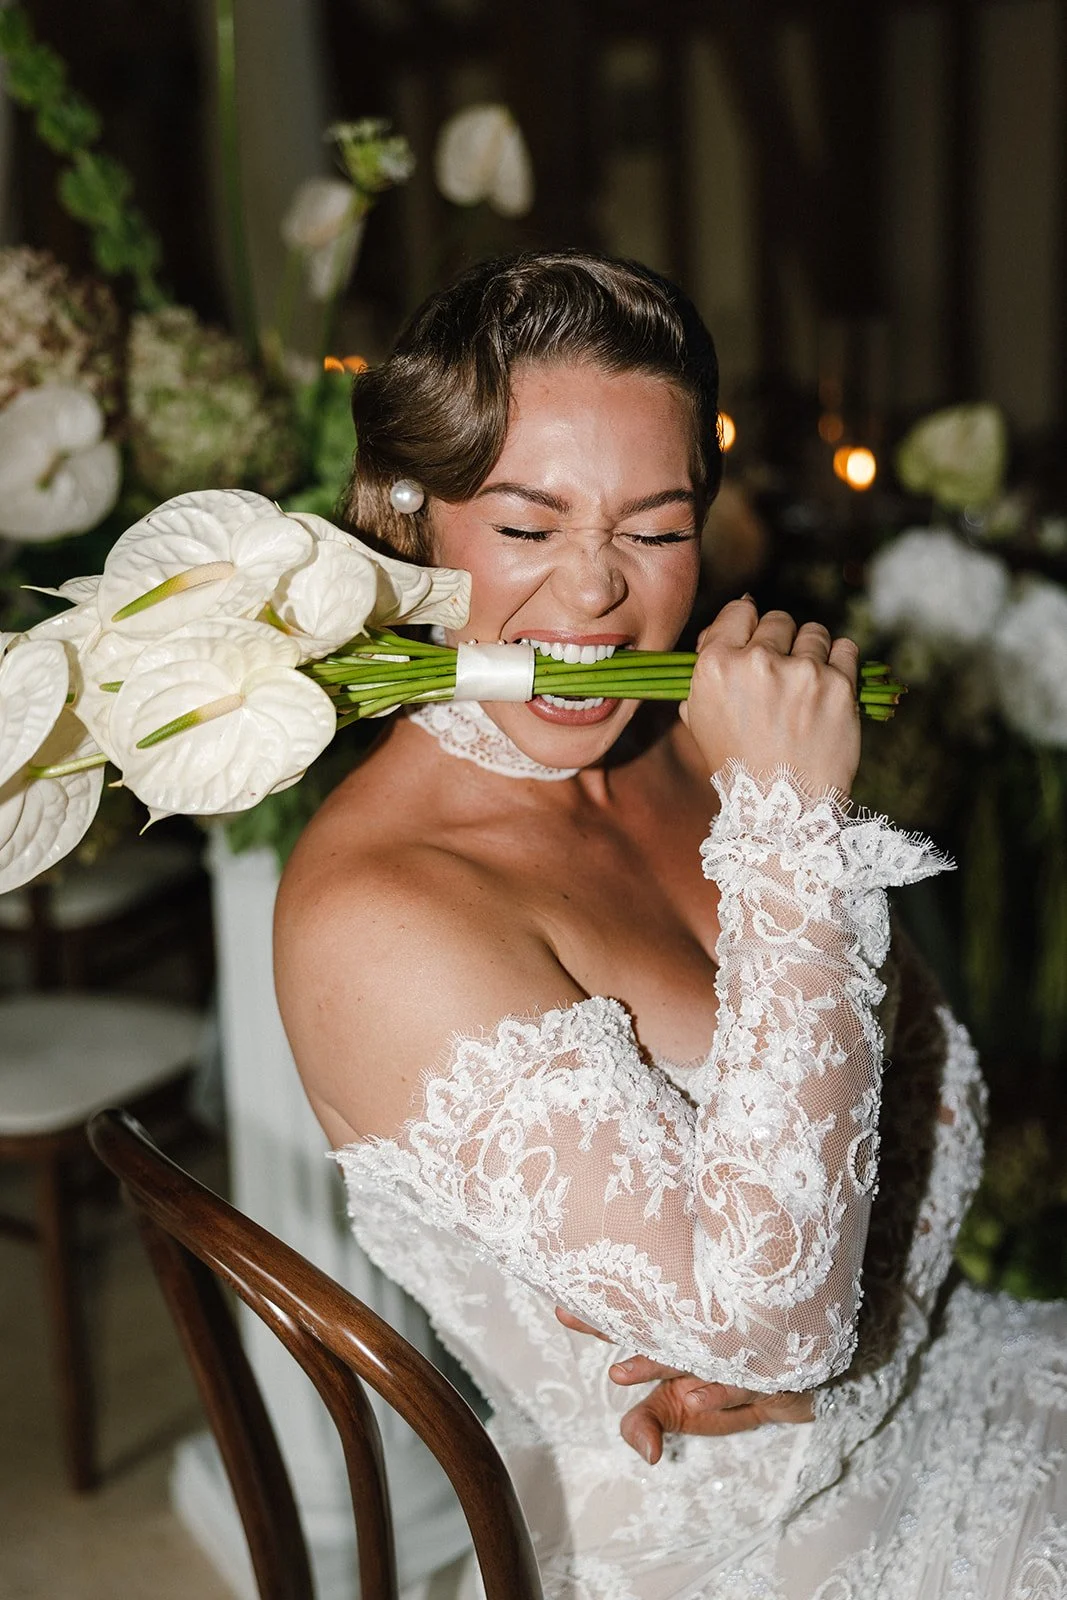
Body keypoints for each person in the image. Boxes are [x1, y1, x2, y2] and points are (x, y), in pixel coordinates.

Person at [274, 252, 1067, 1600]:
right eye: (528, 527)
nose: (595, 597)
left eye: (651, 528)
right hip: (713, 1542)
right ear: (405, 522)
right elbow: (772, 1322)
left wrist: (856, 1333)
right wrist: (787, 836)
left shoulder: (690, 739)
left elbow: (936, 1098)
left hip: (921, 1379)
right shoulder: (379, 911)